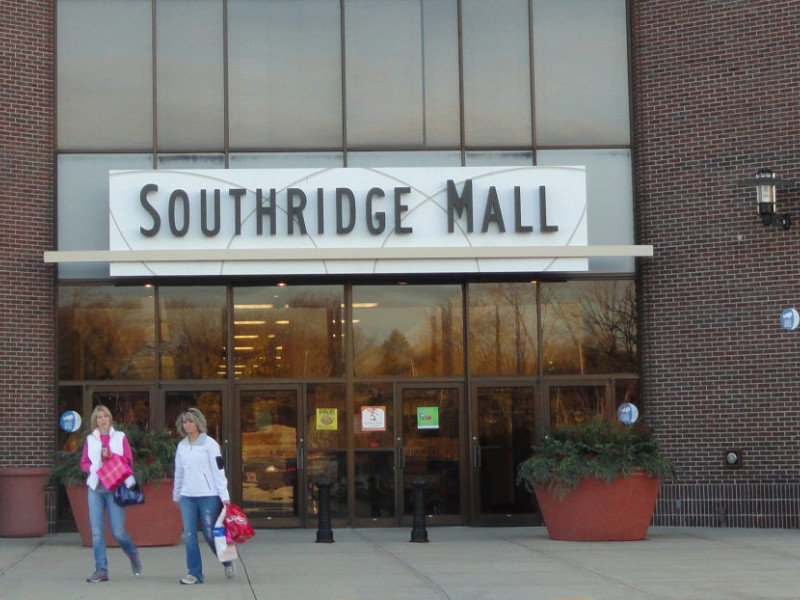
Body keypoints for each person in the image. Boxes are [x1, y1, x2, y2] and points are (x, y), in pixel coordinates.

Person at [79, 405, 142, 583]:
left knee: (118, 531)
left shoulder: (120, 437)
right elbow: (84, 463)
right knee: (97, 533)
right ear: (95, 421)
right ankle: (101, 569)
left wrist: (112, 456)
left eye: (105, 416)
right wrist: (95, 467)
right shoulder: (91, 439)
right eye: (99, 417)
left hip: (115, 488)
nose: (103, 419)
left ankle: (132, 553)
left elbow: (129, 461)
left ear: (110, 419)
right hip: (96, 490)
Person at [173, 407, 235, 584]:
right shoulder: (182, 446)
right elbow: (179, 472)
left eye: (191, 421)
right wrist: (176, 494)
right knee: (190, 535)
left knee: (210, 533)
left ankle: (227, 560)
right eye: (184, 422)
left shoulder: (210, 444)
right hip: (187, 496)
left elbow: (218, 471)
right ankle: (194, 573)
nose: (187, 425)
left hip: (209, 496)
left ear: (198, 423)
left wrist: (225, 497)